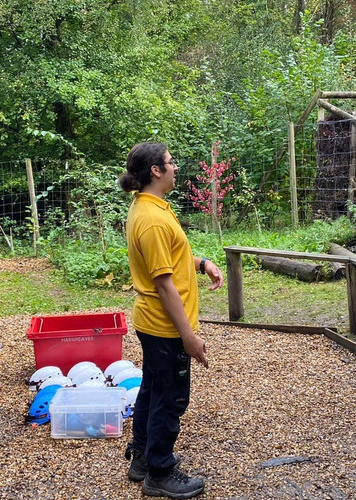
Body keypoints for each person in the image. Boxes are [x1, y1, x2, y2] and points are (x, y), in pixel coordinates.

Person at [119, 142, 223, 499]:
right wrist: (189, 337)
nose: (176, 166)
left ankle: (143, 459)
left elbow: (170, 260)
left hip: (153, 325)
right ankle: (159, 473)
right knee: (170, 399)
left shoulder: (152, 209)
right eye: (170, 162)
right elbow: (164, 284)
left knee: (151, 390)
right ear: (155, 171)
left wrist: (201, 263)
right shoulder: (150, 220)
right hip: (164, 327)